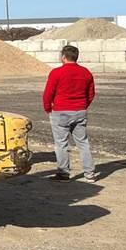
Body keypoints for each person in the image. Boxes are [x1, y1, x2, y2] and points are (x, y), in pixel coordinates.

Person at [43, 44, 97, 181]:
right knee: (83, 143)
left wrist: (48, 108)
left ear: (63, 57)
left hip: (60, 111)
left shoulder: (56, 73)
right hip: (80, 110)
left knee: (61, 144)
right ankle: (89, 174)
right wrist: (84, 105)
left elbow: (48, 93)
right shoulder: (86, 72)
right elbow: (91, 93)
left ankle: (63, 173)